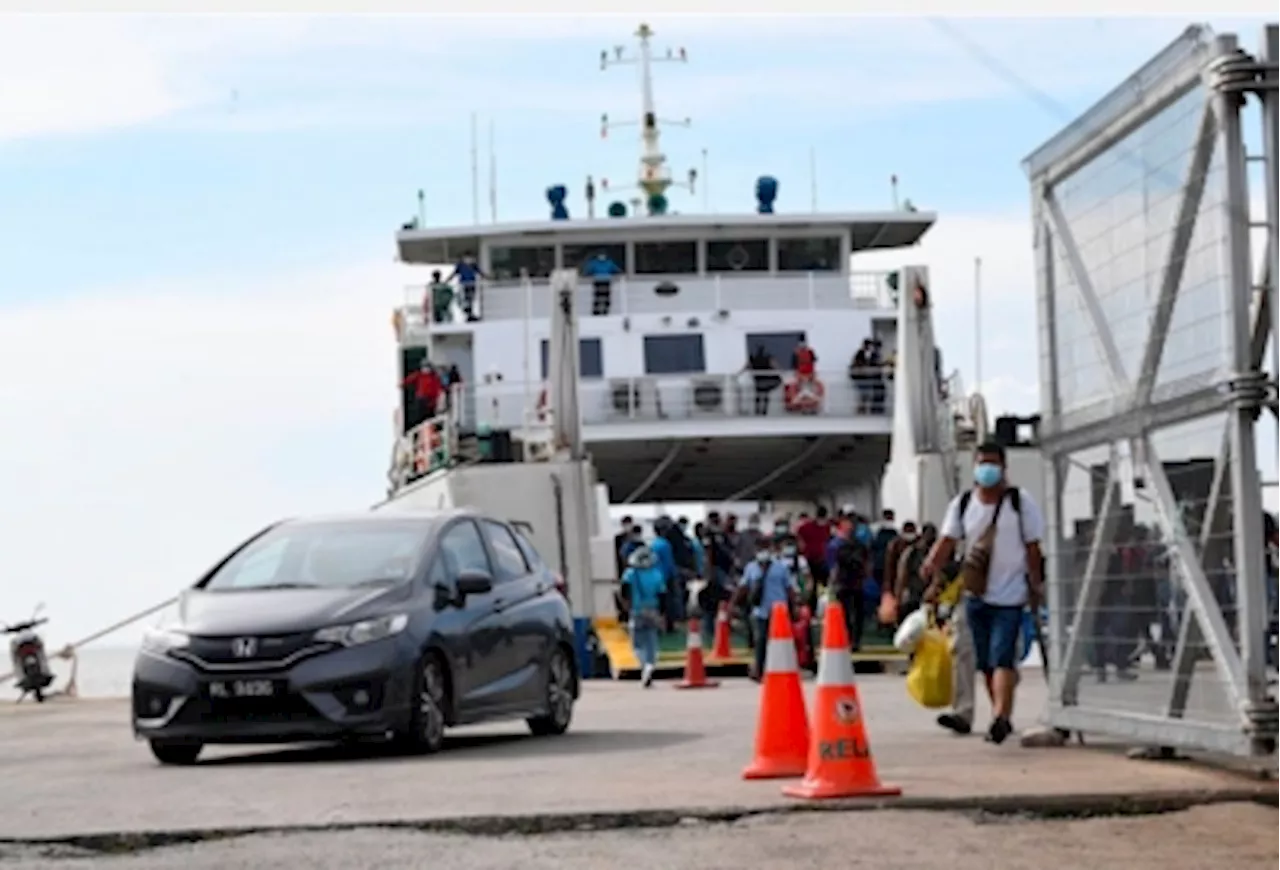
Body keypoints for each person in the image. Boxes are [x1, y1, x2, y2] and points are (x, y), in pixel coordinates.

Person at [921, 440, 1045, 745]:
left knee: (1002, 656)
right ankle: (981, 715)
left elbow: (1032, 549)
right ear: (974, 467)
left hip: (1011, 596)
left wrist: (1035, 585)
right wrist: (930, 569)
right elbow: (948, 541)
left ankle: (1001, 717)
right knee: (972, 656)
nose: (986, 469)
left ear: (1004, 468)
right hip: (974, 594)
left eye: (992, 463)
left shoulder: (1020, 502)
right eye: (982, 463)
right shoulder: (963, 504)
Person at [736, 537, 799, 680]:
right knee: (761, 641)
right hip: (760, 611)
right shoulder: (751, 567)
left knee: (781, 643)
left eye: (765, 548)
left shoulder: (781, 567)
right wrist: (733, 605)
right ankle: (759, 670)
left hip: (779, 611)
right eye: (760, 549)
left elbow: (789, 588)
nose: (763, 552)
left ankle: (784, 670)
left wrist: (794, 606)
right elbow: (743, 587)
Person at [622, 546, 667, 688]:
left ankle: (643, 667)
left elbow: (624, 592)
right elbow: (663, 596)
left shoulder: (629, 574)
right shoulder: (657, 574)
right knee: (652, 640)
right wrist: (663, 614)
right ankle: (650, 665)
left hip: (636, 610)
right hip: (653, 610)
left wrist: (625, 609)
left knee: (637, 643)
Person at [830, 514, 870, 652]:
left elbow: (865, 563)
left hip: (854, 583)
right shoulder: (839, 546)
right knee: (847, 614)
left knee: (856, 614)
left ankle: (855, 641)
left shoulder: (859, 546)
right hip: (845, 583)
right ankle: (850, 639)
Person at [448, 253, 485, 322]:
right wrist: (446, 281)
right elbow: (454, 273)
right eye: (466, 257)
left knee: (471, 299)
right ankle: (469, 314)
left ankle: (470, 315)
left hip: (471, 284)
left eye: (469, 257)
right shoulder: (460, 265)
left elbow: (480, 272)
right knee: (465, 300)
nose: (468, 259)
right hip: (464, 285)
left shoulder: (473, 265)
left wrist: (488, 277)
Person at [744, 345, 780, 415]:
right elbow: (774, 366)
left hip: (759, 379)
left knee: (758, 396)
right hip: (765, 379)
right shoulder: (766, 358)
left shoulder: (754, 358)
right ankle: (763, 411)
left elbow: (747, 366)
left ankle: (758, 410)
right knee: (765, 395)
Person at [583, 251, 621, 316]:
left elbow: (616, 270)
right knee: (597, 296)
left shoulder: (609, 262)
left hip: (606, 281)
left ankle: (605, 310)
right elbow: (588, 271)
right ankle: (596, 311)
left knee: (606, 296)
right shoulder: (594, 262)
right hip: (598, 281)